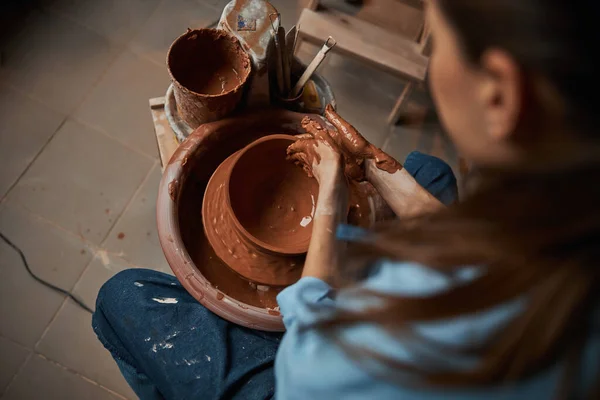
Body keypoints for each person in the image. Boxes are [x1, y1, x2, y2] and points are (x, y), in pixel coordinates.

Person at [92, 0, 600, 398]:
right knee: (431, 171)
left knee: (123, 298)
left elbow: (306, 344)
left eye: (437, 41)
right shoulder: (565, 215)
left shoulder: (401, 336)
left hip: (312, 383)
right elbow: (480, 248)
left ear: (500, 93)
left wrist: (331, 199)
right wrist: (373, 165)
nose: (433, 61)